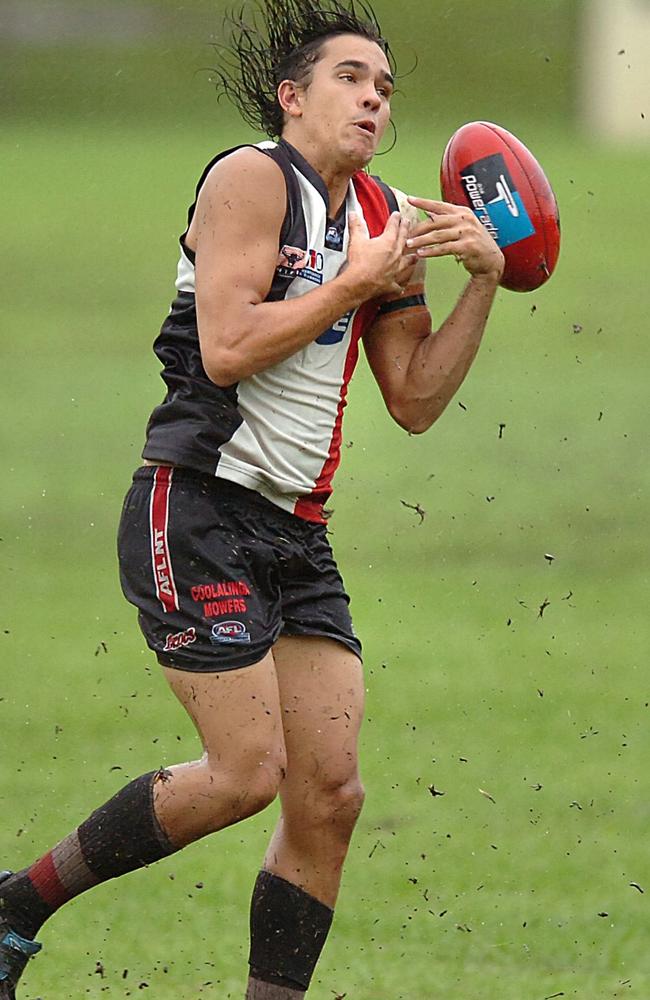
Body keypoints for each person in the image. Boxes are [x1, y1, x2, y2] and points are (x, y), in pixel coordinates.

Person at [0, 1, 504, 996]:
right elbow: (227, 349)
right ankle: (16, 906)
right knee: (244, 773)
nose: (372, 100)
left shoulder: (383, 220)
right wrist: (350, 284)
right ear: (291, 95)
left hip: (294, 532)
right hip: (193, 507)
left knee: (330, 794)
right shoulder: (248, 177)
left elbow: (411, 399)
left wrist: (478, 283)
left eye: (385, 88)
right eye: (350, 79)